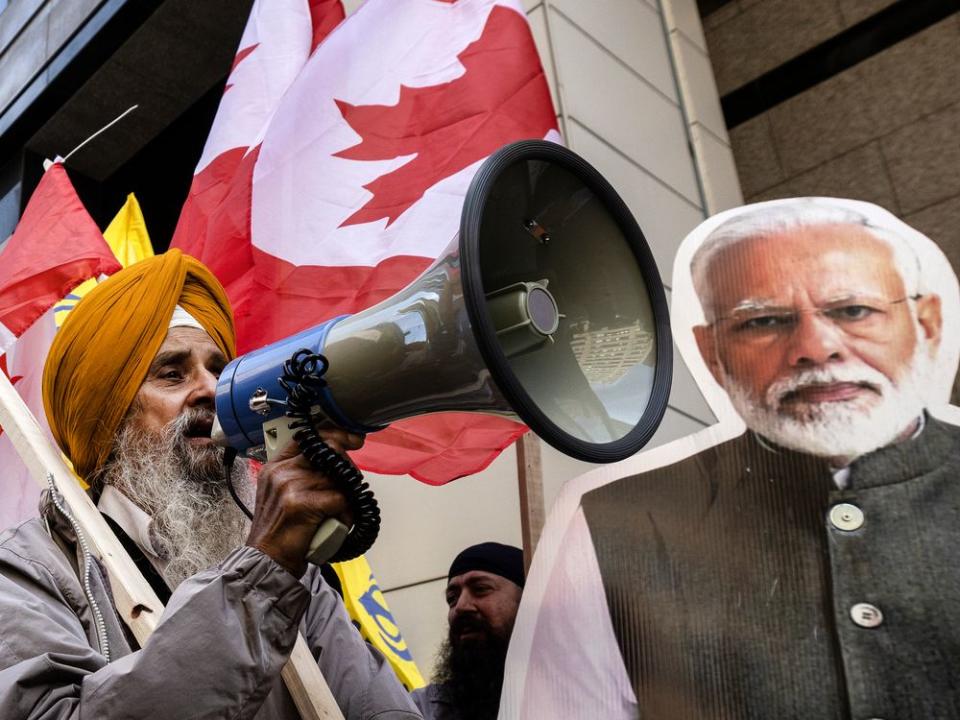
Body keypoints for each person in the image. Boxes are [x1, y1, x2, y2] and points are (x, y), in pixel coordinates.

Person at [502, 198, 960, 720]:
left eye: (853, 310)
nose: (815, 346)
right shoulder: (616, 523)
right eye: (763, 321)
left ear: (927, 323)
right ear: (711, 353)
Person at [0, 250, 421, 719]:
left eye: (220, 370)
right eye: (172, 373)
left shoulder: (296, 573)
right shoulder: (28, 570)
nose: (211, 391)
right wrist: (264, 568)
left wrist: (274, 563)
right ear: (110, 416)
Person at [412, 543, 523, 720]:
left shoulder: (574, 692)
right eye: (452, 599)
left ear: (525, 600)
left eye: (480, 589)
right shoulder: (421, 710)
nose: (460, 607)